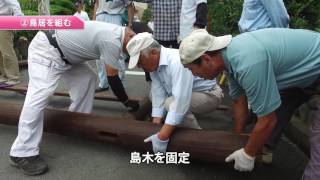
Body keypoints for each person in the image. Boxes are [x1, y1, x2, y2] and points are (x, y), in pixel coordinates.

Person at [179, 28, 320, 179]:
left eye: (192, 69)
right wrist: (237, 140)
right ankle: (262, 148)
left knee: (317, 135)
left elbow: (267, 120)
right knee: (277, 107)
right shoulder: (228, 58)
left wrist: (248, 154)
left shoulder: (248, 63)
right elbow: (239, 100)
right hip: (305, 72)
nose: (193, 75)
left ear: (206, 59)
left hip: (314, 65)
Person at [9, 21, 139, 176]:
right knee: (41, 94)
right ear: (130, 34)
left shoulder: (117, 32)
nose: (128, 52)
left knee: (87, 78)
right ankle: (22, 152)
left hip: (66, 55)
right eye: (130, 49)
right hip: (47, 49)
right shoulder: (112, 40)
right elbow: (113, 79)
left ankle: (76, 121)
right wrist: (127, 101)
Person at [126, 32, 223, 153]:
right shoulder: (153, 66)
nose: (139, 66)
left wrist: (162, 137)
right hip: (191, 93)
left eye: (140, 61)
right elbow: (158, 92)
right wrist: (156, 124)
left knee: (170, 103)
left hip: (210, 94)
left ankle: (198, 136)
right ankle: (178, 124)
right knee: (154, 96)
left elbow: (180, 102)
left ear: (154, 53)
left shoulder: (177, 61)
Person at [93, 0, 134, 92]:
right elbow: (97, 3)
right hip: (100, 17)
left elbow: (130, 5)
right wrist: (94, 19)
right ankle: (103, 83)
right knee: (99, 53)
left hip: (115, 17)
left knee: (117, 52)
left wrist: (130, 24)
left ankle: (120, 84)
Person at [0, 0, 23, 86]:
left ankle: (13, 77)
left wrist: (17, 21)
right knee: (1, 52)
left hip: (5, 20)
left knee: (7, 51)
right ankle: (4, 76)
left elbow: (15, 4)